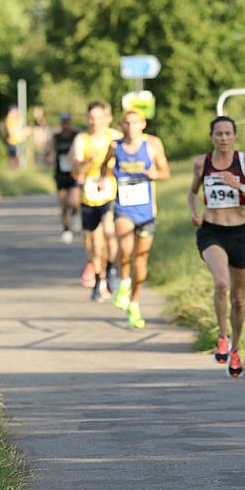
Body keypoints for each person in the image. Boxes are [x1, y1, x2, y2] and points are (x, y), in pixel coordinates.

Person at [187, 115, 245, 377]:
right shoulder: (202, 163)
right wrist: (194, 212)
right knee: (222, 282)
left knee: (239, 298)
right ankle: (222, 336)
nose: (223, 138)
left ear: (234, 136)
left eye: (227, 133)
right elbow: (192, 192)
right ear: (211, 137)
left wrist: (239, 186)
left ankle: (236, 348)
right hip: (212, 232)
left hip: (240, 233)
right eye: (218, 134)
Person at [99, 108, 171, 329]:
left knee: (141, 259)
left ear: (143, 125)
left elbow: (166, 172)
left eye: (135, 123)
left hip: (146, 211)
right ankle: (124, 282)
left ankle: (135, 301)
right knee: (125, 248)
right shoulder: (115, 146)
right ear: (123, 126)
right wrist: (104, 179)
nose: (131, 127)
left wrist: (155, 175)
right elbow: (104, 165)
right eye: (127, 123)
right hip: (124, 207)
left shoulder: (152, 145)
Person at [71, 100, 121, 302]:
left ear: (107, 118)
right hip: (89, 196)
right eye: (91, 118)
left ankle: (110, 269)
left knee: (109, 231)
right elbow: (75, 170)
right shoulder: (81, 140)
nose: (95, 122)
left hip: (111, 193)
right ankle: (99, 276)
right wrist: (87, 161)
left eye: (99, 118)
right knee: (92, 242)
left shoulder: (116, 137)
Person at [45, 112, 80, 244]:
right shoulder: (56, 137)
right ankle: (66, 229)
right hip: (60, 174)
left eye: (67, 122)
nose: (65, 125)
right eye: (63, 122)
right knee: (64, 204)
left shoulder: (76, 136)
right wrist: (48, 158)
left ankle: (76, 212)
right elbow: (48, 151)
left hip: (74, 174)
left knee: (74, 201)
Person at [3, 105, 27, 169]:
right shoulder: (10, 120)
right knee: (12, 157)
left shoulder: (15, 120)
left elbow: (22, 120)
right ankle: (12, 169)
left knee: (17, 156)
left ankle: (15, 169)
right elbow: (11, 131)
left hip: (17, 141)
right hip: (12, 141)